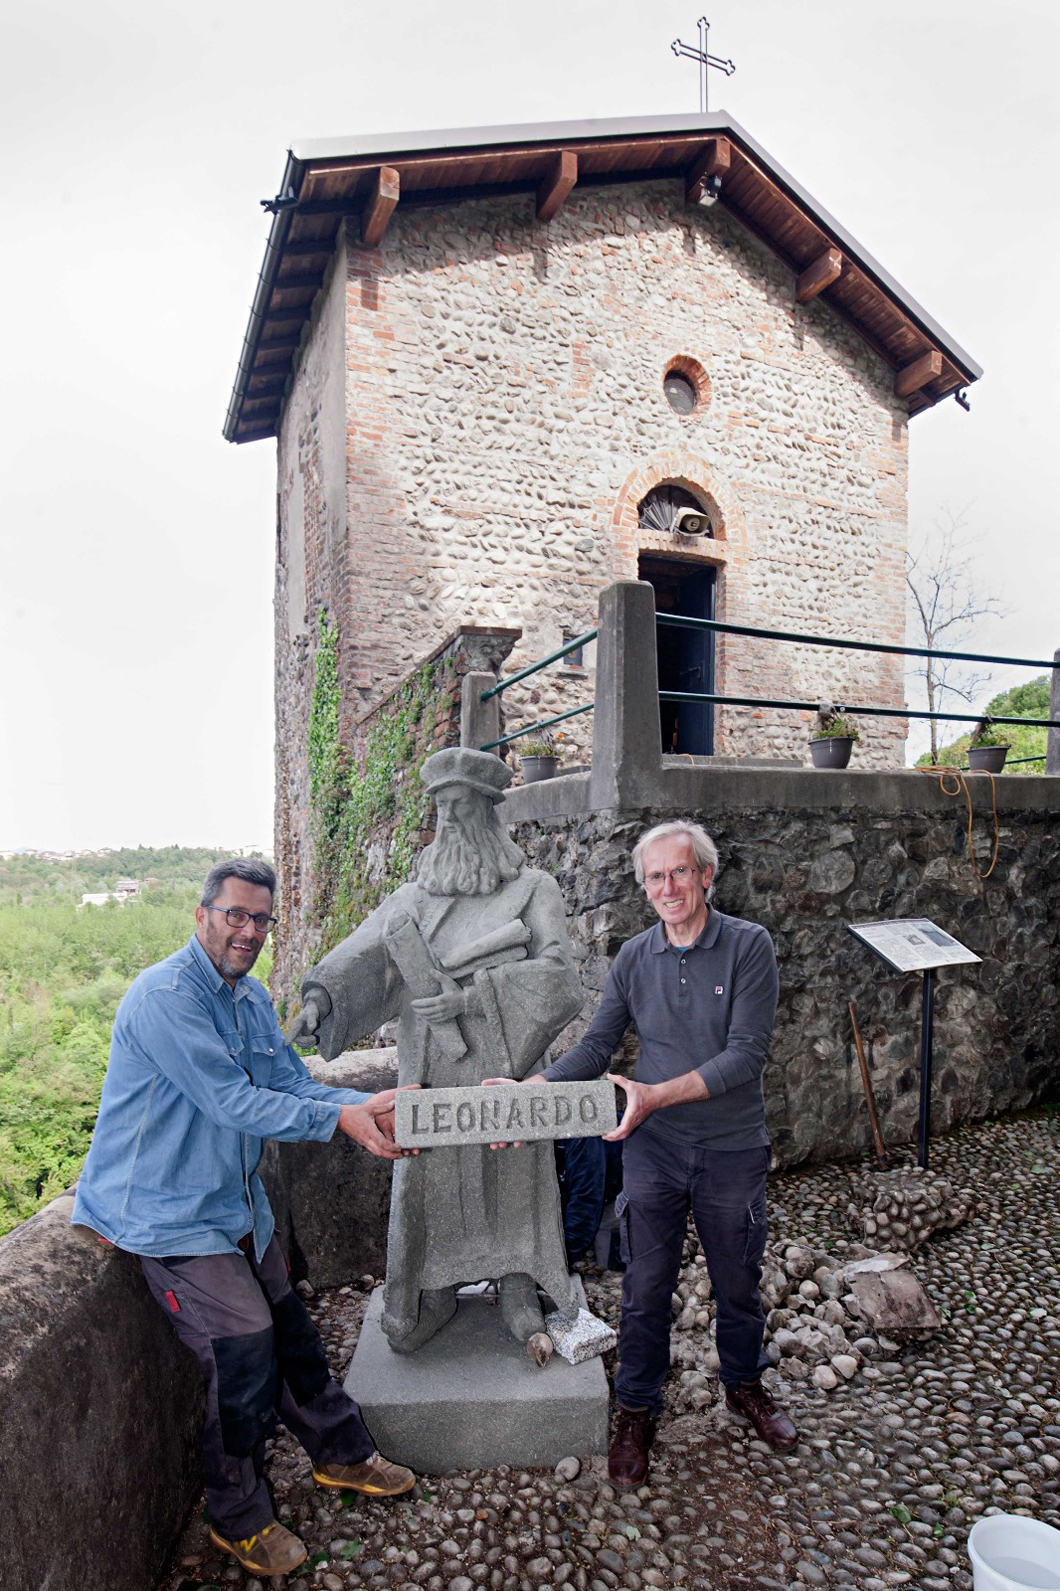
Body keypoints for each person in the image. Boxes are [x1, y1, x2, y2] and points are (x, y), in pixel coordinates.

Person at [72, 858, 416, 1579]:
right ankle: (236, 1515)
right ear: (202, 916)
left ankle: (342, 1455)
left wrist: (354, 1106)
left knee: (289, 1328)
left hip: (231, 1202)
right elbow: (234, 1102)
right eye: (236, 915)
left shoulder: (250, 996)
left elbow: (288, 1080)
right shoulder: (166, 997)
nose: (250, 931)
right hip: (164, 1211)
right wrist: (342, 1123)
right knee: (243, 1344)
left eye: (261, 919)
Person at [290, 747, 584, 1353]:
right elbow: (367, 954)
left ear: (486, 811)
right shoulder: (415, 899)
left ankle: (519, 1286)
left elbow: (560, 979)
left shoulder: (534, 890)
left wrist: (472, 1001)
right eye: (440, 809)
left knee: (511, 1173)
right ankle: (433, 1286)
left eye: (459, 807)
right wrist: (320, 1001)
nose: (447, 821)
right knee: (432, 1178)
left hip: (504, 1069)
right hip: (430, 1069)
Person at [539, 819, 797, 1487]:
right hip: (654, 1149)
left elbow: (745, 1055)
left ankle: (745, 1383)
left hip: (732, 1149)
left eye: (680, 871)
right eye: (655, 876)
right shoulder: (633, 957)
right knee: (644, 1289)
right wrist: (531, 1088)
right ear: (644, 885)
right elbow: (597, 1045)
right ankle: (636, 1411)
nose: (668, 886)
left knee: (738, 1281)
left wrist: (654, 1093)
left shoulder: (749, 946)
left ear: (707, 875)